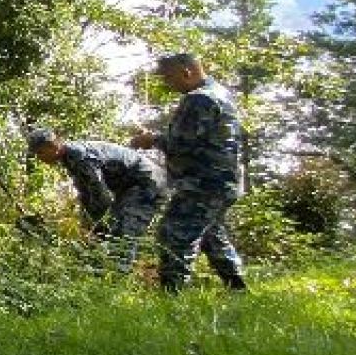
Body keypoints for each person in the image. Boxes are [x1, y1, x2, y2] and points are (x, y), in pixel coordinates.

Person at [132, 52, 247, 292]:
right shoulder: (221, 93)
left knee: (174, 234)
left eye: (168, 77)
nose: (167, 83)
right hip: (223, 183)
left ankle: (172, 297)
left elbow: (181, 143)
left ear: (187, 72)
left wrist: (150, 139)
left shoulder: (199, 99)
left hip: (203, 184)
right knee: (211, 235)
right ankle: (237, 288)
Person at [25, 128, 168, 272]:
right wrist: (88, 223)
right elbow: (87, 195)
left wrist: (96, 227)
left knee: (125, 228)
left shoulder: (80, 156)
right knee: (109, 227)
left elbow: (101, 196)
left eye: (40, 152)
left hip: (147, 183)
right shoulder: (69, 158)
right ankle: (106, 269)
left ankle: (117, 277)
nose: (39, 158)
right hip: (130, 187)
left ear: (52, 146)